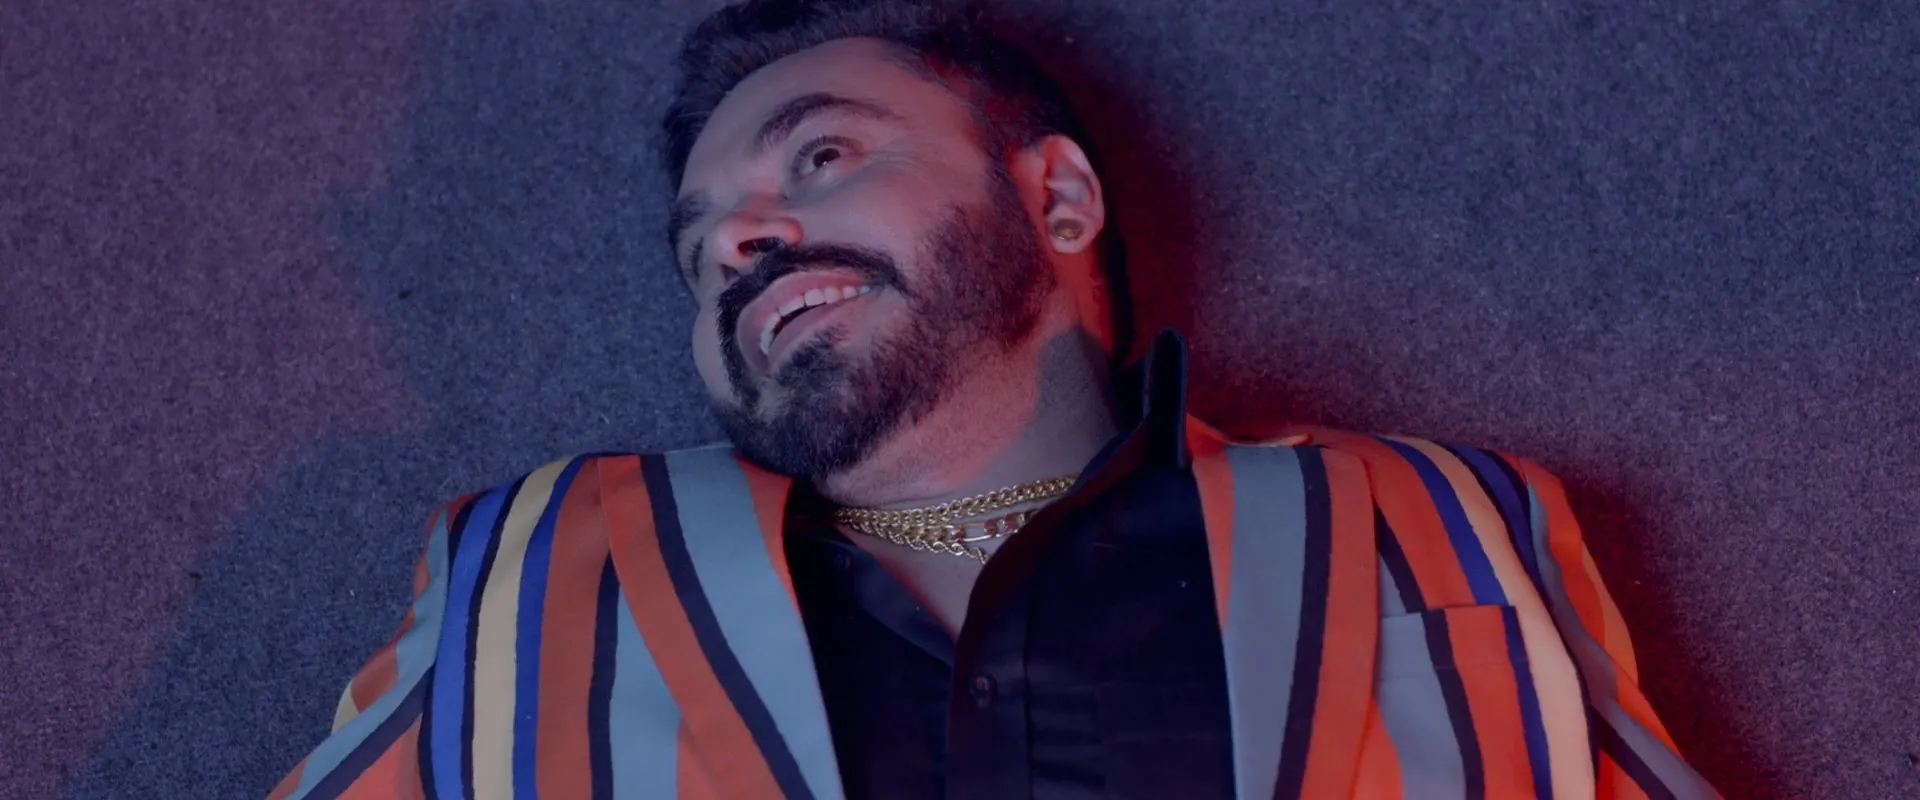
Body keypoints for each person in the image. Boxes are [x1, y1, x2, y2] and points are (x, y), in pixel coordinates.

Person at [270, 0, 1718, 797]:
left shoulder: (1440, 515)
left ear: (1060, 199)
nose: (740, 239)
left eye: (822, 158)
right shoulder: (528, 562)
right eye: (697, 246)